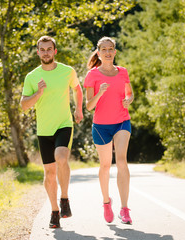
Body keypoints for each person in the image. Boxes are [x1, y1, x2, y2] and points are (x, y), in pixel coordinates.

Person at [20, 36, 83, 228]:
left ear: (55, 51)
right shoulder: (32, 76)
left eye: (49, 49)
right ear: (37, 52)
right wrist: (38, 94)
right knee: (49, 172)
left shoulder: (67, 71)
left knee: (61, 157)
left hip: (64, 123)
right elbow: (23, 105)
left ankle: (64, 198)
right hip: (44, 129)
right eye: (42, 49)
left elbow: (77, 89)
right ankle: (55, 211)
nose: (46, 52)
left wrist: (78, 109)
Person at [83, 37, 134, 224]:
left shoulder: (123, 72)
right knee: (105, 165)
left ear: (115, 51)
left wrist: (129, 99)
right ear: (98, 53)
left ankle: (125, 209)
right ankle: (106, 202)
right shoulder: (92, 75)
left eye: (110, 48)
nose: (107, 52)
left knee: (121, 161)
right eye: (103, 49)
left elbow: (129, 93)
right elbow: (88, 106)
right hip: (101, 126)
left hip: (122, 121)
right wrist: (100, 93)